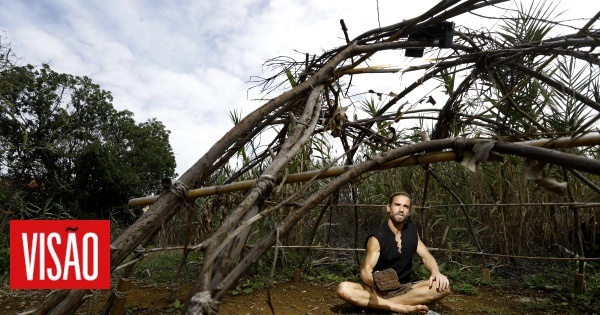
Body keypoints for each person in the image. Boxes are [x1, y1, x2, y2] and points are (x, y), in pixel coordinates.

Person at [336, 192, 450, 314]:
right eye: (397, 205)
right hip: (377, 290)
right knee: (343, 288)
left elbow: (426, 256)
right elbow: (367, 270)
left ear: (409, 211)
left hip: (404, 288)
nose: (401, 210)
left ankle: (377, 306)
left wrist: (436, 272)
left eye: (405, 206)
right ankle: (400, 308)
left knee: (444, 287)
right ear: (388, 207)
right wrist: (372, 282)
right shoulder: (377, 237)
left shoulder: (411, 231)